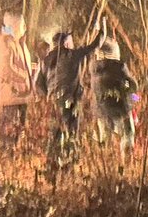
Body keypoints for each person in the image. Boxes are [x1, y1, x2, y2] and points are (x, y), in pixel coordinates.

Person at [37, 21, 107, 172]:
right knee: (71, 132)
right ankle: (70, 164)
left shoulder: (46, 60)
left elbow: (38, 84)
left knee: (55, 133)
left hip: (53, 102)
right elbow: (95, 45)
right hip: (70, 101)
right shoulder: (72, 55)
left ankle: (52, 165)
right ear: (66, 43)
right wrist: (102, 29)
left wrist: (48, 95)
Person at [0, 11, 40, 149]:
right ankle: (8, 154)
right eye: (22, 24)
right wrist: (25, 76)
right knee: (10, 129)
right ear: (15, 26)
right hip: (12, 94)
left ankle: (16, 153)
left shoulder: (19, 42)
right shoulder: (6, 43)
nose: (25, 27)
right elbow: (6, 69)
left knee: (20, 129)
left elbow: (18, 64)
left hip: (22, 94)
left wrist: (30, 69)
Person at [89, 36, 139, 158]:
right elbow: (132, 86)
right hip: (120, 108)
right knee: (128, 133)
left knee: (105, 140)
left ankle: (106, 162)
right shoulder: (119, 67)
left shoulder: (93, 69)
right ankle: (127, 160)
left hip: (100, 110)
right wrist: (135, 98)